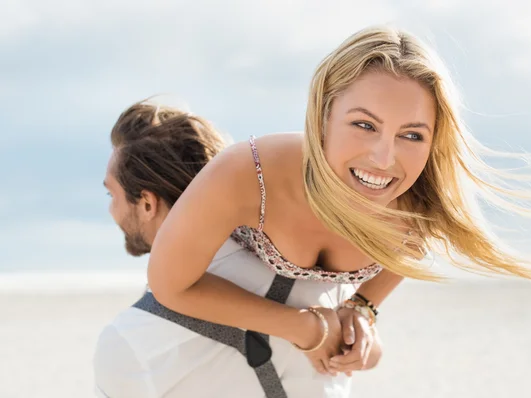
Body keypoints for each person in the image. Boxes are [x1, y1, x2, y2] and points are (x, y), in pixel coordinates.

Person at [145, 24, 531, 397]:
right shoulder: (249, 173)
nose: (385, 158)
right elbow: (170, 285)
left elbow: (385, 276)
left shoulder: (423, 205)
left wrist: (362, 311)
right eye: (364, 125)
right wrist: (304, 329)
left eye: (412, 135)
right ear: (323, 113)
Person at [94, 100, 381, 398]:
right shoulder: (317, 274)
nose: (111, 209)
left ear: (147, 203)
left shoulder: (131, 339)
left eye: (110, 193)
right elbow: (369, 354)